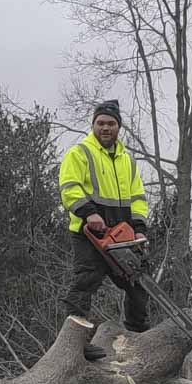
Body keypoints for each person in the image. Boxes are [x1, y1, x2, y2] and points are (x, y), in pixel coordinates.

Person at [58, 99, 151, 332]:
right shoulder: (80, 153)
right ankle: (74, 338)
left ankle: (136, 334)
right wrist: (88, 213)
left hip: (122, 232)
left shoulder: (127, 160)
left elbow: (137, 197)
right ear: (94, 125)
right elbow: (69, 187)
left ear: (118, 127)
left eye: (111, 123)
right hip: (90, 232)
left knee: (138, 281)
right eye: (101, 123)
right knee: (86, 280)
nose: (106, 128)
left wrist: (139, 227)